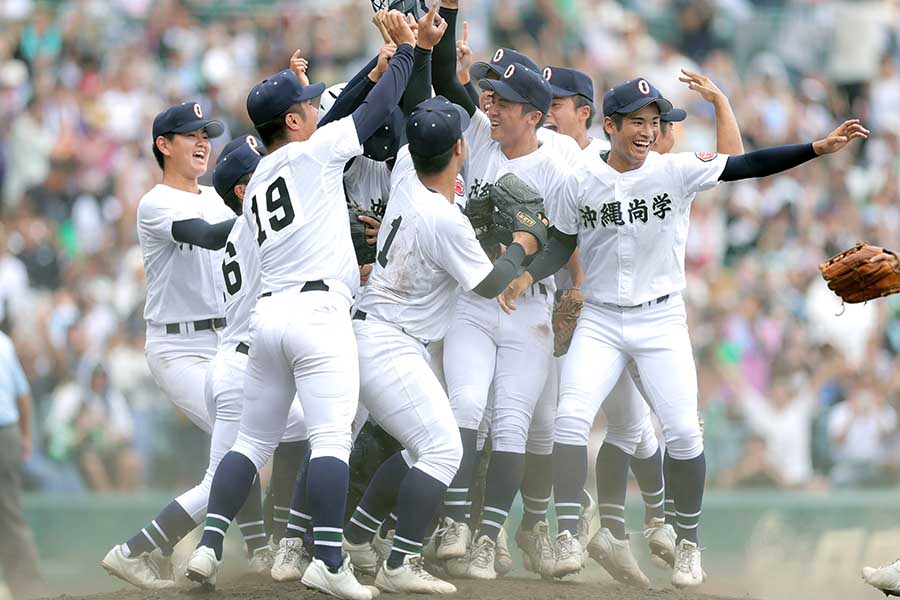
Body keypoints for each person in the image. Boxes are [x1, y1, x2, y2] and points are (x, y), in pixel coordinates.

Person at [499, 77, 866, 588]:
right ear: (610, 126)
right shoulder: (579, 178)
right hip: (601, 317)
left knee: (684, 430)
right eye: (637, 122)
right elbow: (560, 242)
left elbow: (745, 165)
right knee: (570, 419)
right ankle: (567, 535)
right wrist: (526, 274)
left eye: (654, 122)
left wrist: (816, 148)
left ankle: (689, 543)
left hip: (660, 318)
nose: (648, 131)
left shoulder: (674, 170)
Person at [184, 12, 418, 600]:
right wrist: (408, 55)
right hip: (319, 316)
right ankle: (331, 561)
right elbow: (364, 116)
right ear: (292, 120)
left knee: (250, 444)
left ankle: (209, 548)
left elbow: (342, 112)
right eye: (309, 106)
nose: (318, 109)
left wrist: (380, 60)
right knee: (331, 439)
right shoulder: (313, 156)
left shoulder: (260, 174)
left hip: (267, 321)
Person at [344, 93, 548, 594]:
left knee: (425, 447)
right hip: (390, 342)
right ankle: (401, 562)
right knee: (443, 449)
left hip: (382, 334)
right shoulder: (444, 219)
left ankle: (358, 535)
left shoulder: (405, 177)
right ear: (460, 149)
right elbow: (488, 285)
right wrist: (522, 245)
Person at [428, 1, 586, 580]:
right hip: (472, 300)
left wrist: (529, 272)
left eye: (506, 102)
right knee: (465, 406)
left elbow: (565, 241)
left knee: (516, 422)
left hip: (528, 310)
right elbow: (448, 78)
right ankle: (455, 522)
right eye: (491, 98)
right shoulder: (482, 135)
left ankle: (487, 537)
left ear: (535, 115)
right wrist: (445, 13)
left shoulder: (559, 167)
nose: (491, 107)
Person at [101, 100, 258, 590]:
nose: (202, 142)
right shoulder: (156, 202)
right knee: (241, 450)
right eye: (190, 135)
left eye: (206, 134)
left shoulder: (213, 194)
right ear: (163, 145)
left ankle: (256, 548)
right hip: (178, 347)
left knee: (251, 444)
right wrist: (267, 212)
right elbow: (209, 237)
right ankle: (137, 549)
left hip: (225, 340)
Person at [0, 329, 46, 600]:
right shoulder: (3, 341)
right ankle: (30, 593)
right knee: (10, 518)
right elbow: (23, 395)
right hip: (8, 433)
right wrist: (25, 436)